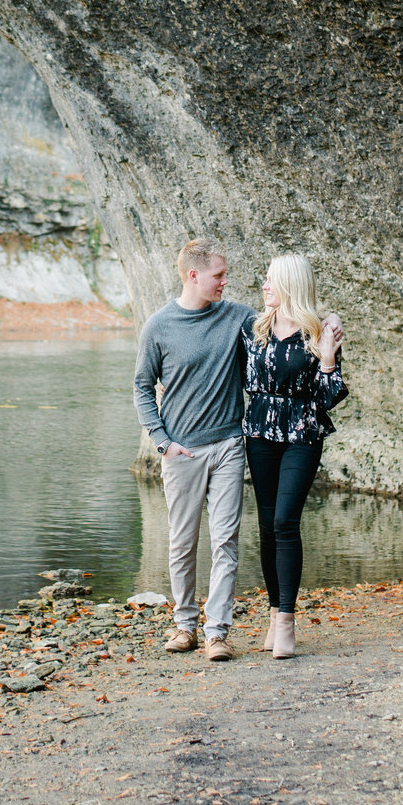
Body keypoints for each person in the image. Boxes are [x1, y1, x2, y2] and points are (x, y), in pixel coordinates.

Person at [132, 237, 255, 662]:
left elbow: (279, 330)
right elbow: (141, 387)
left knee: (226, 541)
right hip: (181, 451)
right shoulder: (160, 325)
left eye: (224, 274)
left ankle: (217, 631)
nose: (225, 282)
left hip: (227, 446)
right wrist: (162, 442)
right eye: (219, 275)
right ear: (194, 275)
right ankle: (184, 625)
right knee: (182, 542)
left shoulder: (240, 317)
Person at [242, 252, 345, 660]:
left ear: (289, 285)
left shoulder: (318, 331)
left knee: (286, 521)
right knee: (267, 525)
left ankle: (287, 620)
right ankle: (272, 616)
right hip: (260, 433)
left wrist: (327, 357)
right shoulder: (253, 328)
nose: (264, 285)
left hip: (303, 433)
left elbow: (330, 397)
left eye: (270, 279)